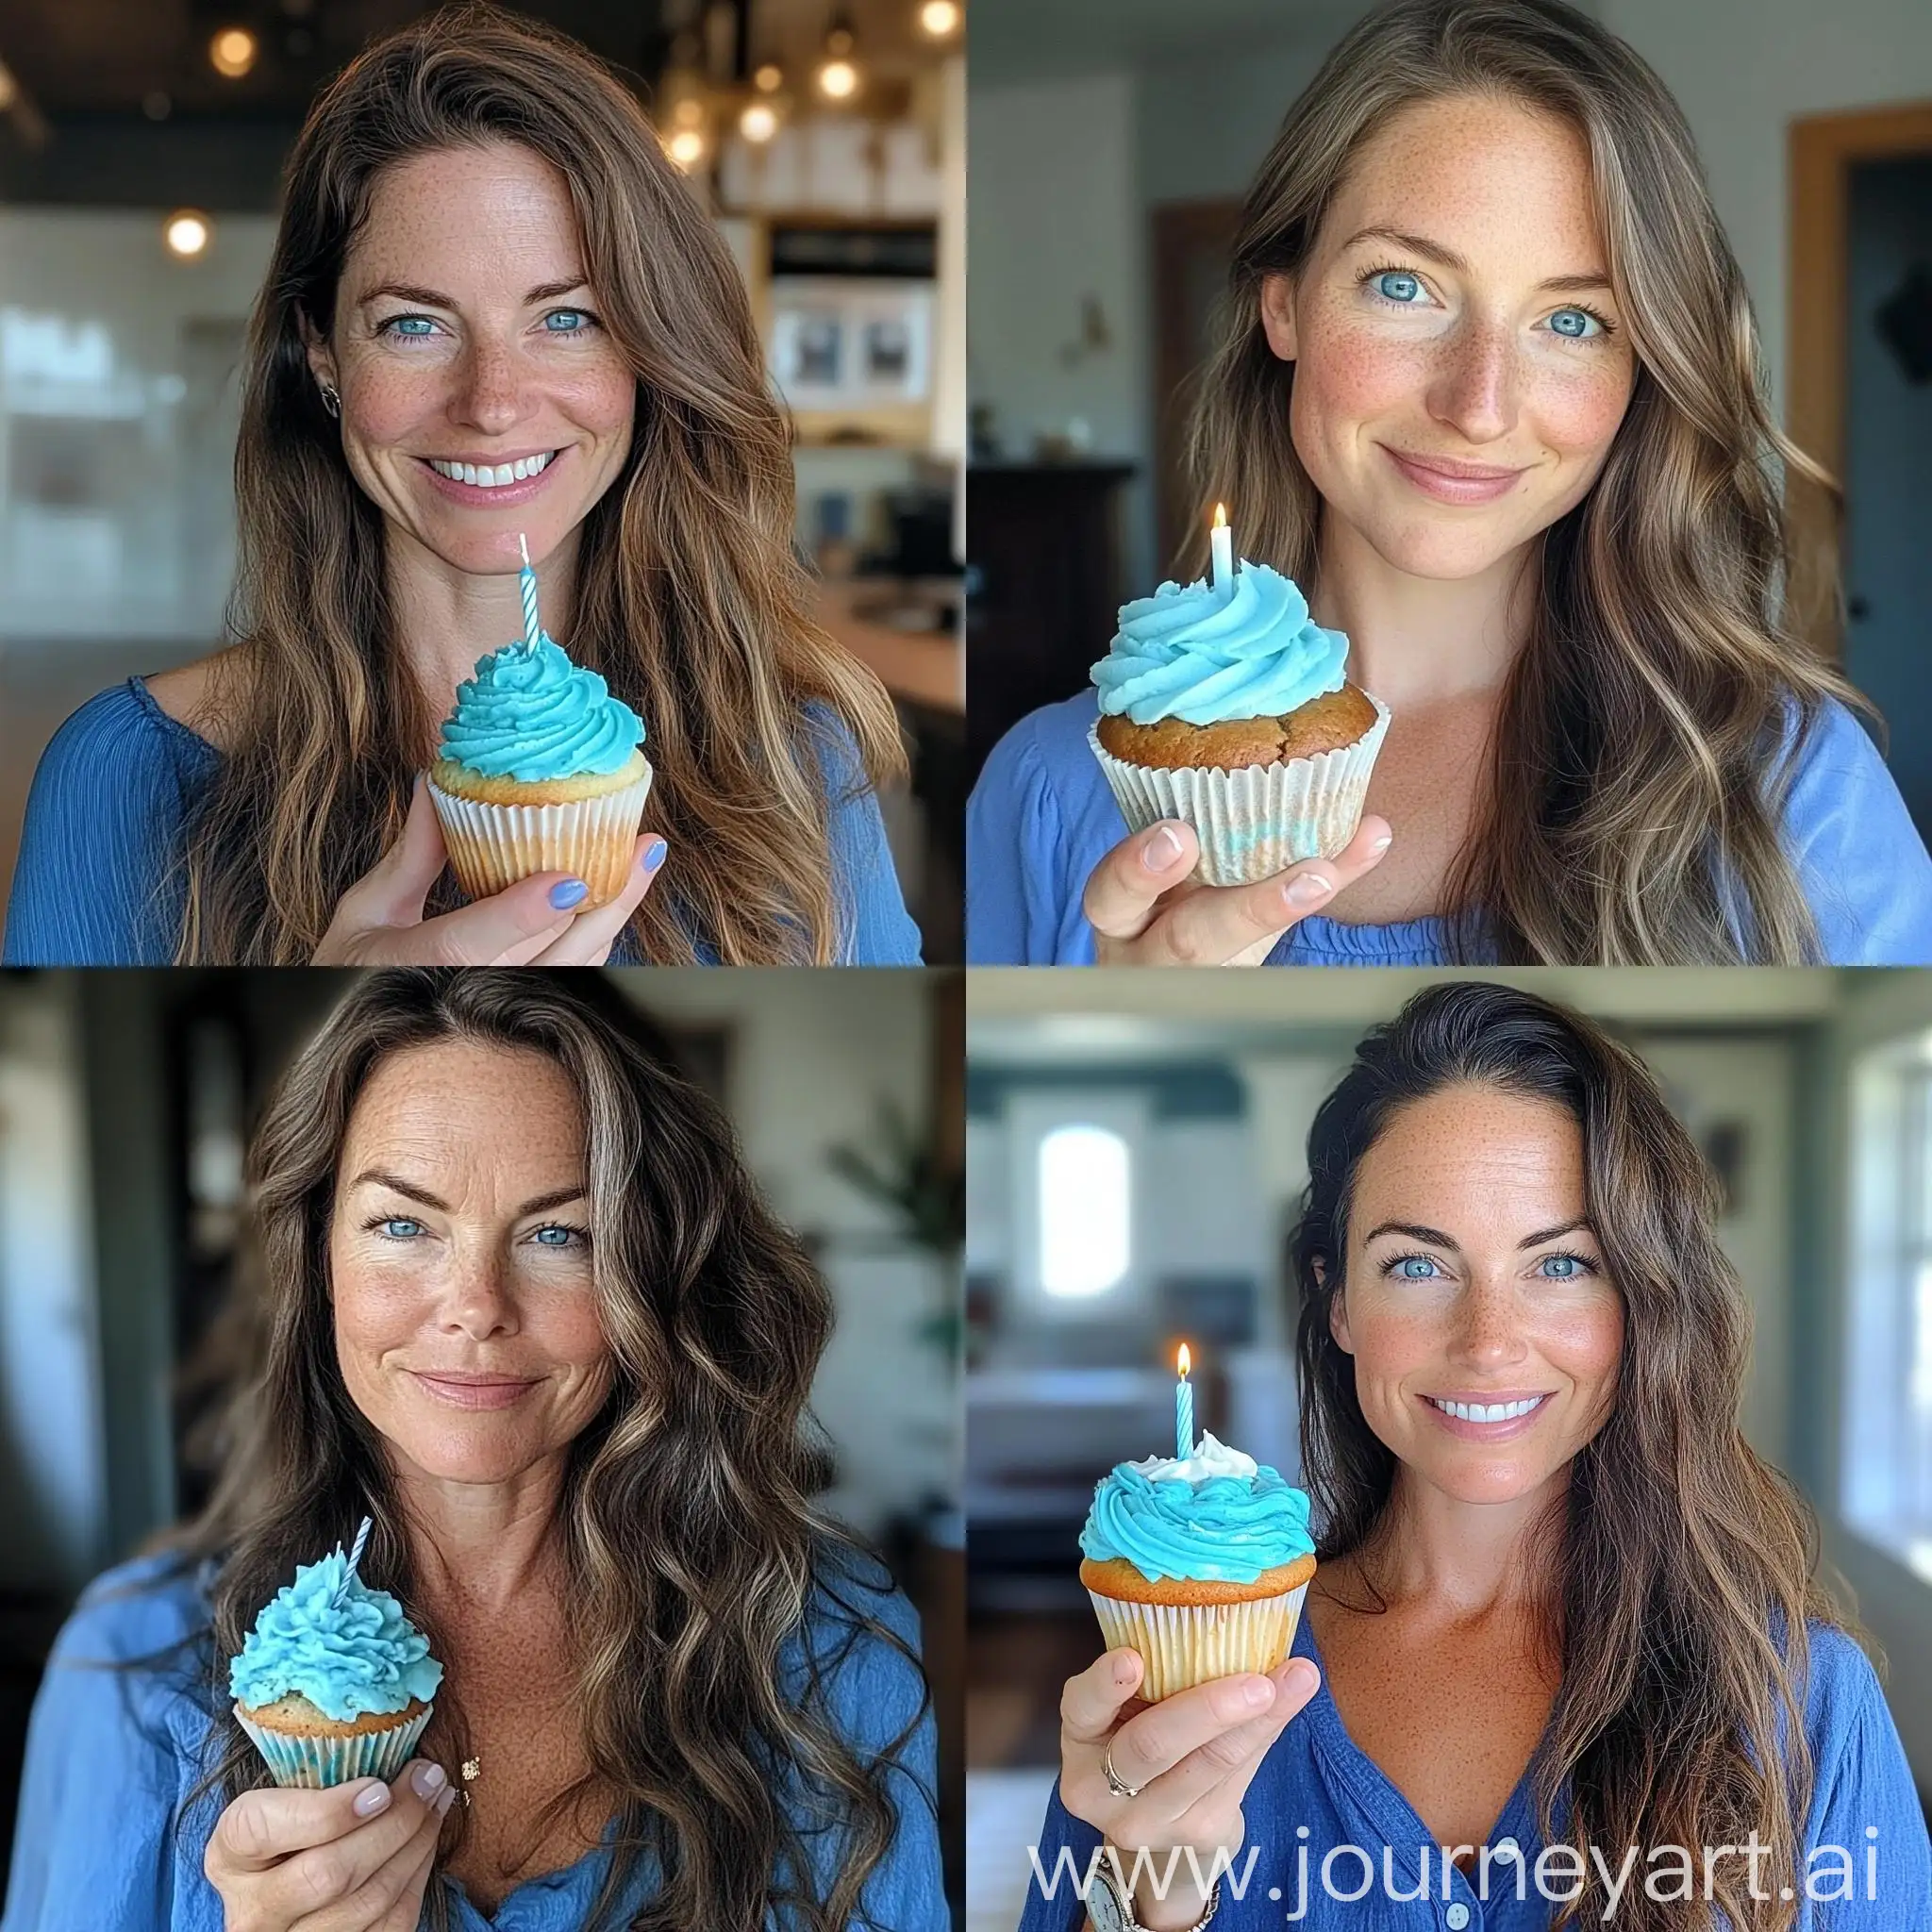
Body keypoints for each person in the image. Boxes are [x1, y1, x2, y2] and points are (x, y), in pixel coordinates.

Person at [967, 0, 1932, 967]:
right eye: (1402, 286)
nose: (1477, 404)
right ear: (1283, 306)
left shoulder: (1791, 786)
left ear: (1642, 367)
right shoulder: (1045, 789)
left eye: (1571, 322)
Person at [4, 971, 943, 1932]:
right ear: (318, 1255)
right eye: (403, 1222)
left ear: (651, 1275)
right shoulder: (129, 1667)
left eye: (558, 1233)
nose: (476, 1305)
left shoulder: (836, 1650)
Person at [3, 8, 919, 968]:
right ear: (321, 352)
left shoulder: (793, 755)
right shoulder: (122, 774)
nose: (492, 402)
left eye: (566, 317)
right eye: (412, 325)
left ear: (651, 351)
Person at [1022, 982, 1930, 1930]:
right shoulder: (1177, 1691)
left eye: (1561, 1263)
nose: (1487, 1340)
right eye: (1417, 1264)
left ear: (1641, 1302)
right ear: (1337, 1301)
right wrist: (1146, 1907)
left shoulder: (1802, 1698)